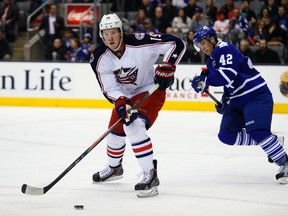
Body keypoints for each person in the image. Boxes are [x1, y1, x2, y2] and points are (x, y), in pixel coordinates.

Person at [89, 13, 186, 197]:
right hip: (125, 96)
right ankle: (114, 168)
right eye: (106, 33)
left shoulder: (141, 43)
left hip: (150, 89)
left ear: (121, 32)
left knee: (134, 125)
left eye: (113, 32)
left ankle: (150, 174)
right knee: (114, 131)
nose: (110, 37)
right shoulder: (99, 57)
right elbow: (109, 87)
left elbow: (176, 43)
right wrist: (121, 103)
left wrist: (167, 66)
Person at [190, 26, 288, 184]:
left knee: (257, 131)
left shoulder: (225, 49)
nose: (202, 48)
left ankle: (284, 162)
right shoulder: (211, 60)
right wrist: (225, 102)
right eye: (199, 45)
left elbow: (227, 76)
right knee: (226, 135)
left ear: (212, 39)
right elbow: (228, 86)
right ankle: (270, 140)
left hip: (255, 95)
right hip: (237, 100)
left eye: (203, 43)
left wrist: (206, 81)